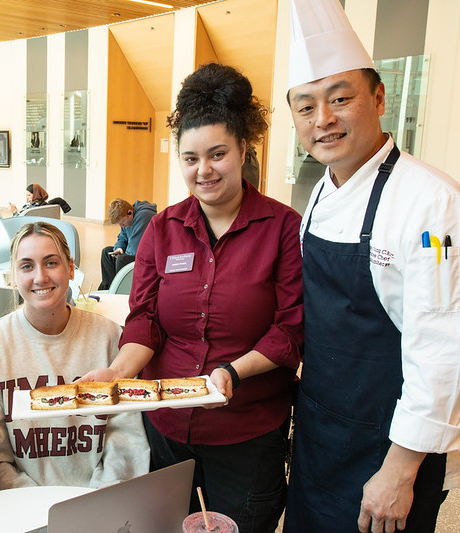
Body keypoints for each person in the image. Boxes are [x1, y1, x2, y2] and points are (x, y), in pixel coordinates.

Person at [283, 1, 460, 532]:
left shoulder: (433, 204)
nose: (322, 119)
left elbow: (448, 348)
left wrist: (400, 470)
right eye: (306, 107)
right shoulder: (321, 194)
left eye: (340, 98)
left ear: (379, 98)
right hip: (321, 430)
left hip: (389, 446)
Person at [80, 63, 303, 532]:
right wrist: (119, 373)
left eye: (217, 154)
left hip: (246, 431)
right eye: (190, 158)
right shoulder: (163, 228)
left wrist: (231, 373)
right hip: (167, 427)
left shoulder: (283, 228)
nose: (203, 170)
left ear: (243, 151)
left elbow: (289, 330)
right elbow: (145, 318)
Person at [0, 221, 150, 489]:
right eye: (27, 266)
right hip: (22, 509)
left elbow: (126, 439)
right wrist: (40, 507)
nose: (40, 277)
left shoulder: (111, 338)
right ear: (12, 276)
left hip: (102, 502)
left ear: (71, 268)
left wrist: (98, 500)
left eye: (51, 263)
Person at [98, 198, 157, 290]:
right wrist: (119, 248)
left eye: (122, 222)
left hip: (147, 257)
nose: (121, 226)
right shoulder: (127, 218)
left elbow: (135, 247)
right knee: (106, 252)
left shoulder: (144, 215)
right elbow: (122, 237)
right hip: (135, 253)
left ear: (130, 212)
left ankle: (120, 288)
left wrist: (121, 255)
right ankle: (109, 287)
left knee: (122, 260)